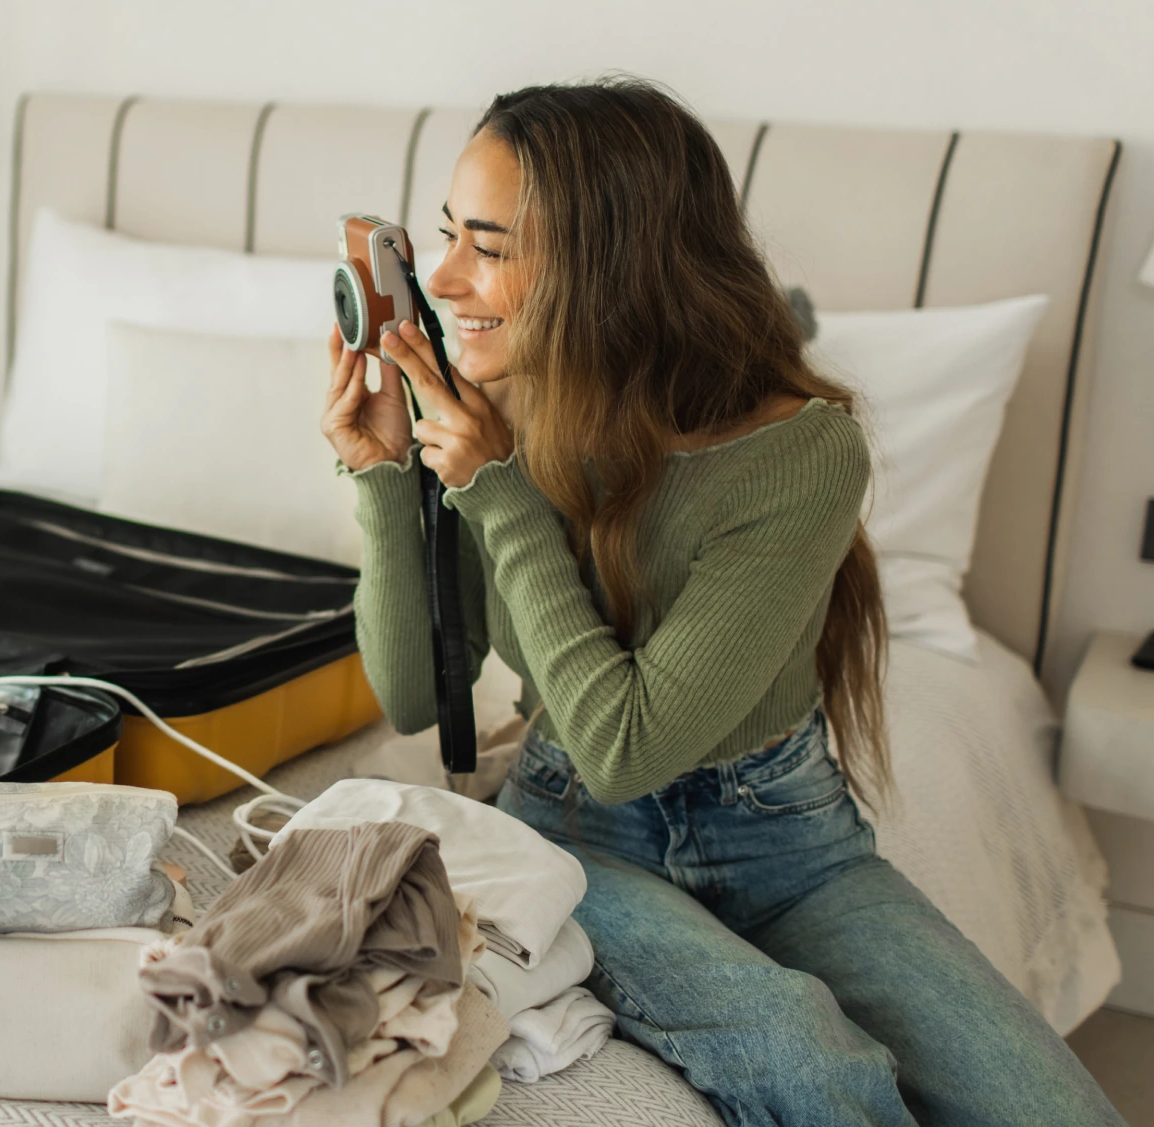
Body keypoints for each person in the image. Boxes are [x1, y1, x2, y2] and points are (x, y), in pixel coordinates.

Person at [323, 78, 1123, 1127]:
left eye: (490, 245)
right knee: (810, 1060)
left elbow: (633, 735)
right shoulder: (479, 411)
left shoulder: (798, 456)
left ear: (609, 267)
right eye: (442, 236)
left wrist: (494, 490)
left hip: (783, 839)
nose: (443, 278)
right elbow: (415, 697)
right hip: (577, 833)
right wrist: (388, 477)